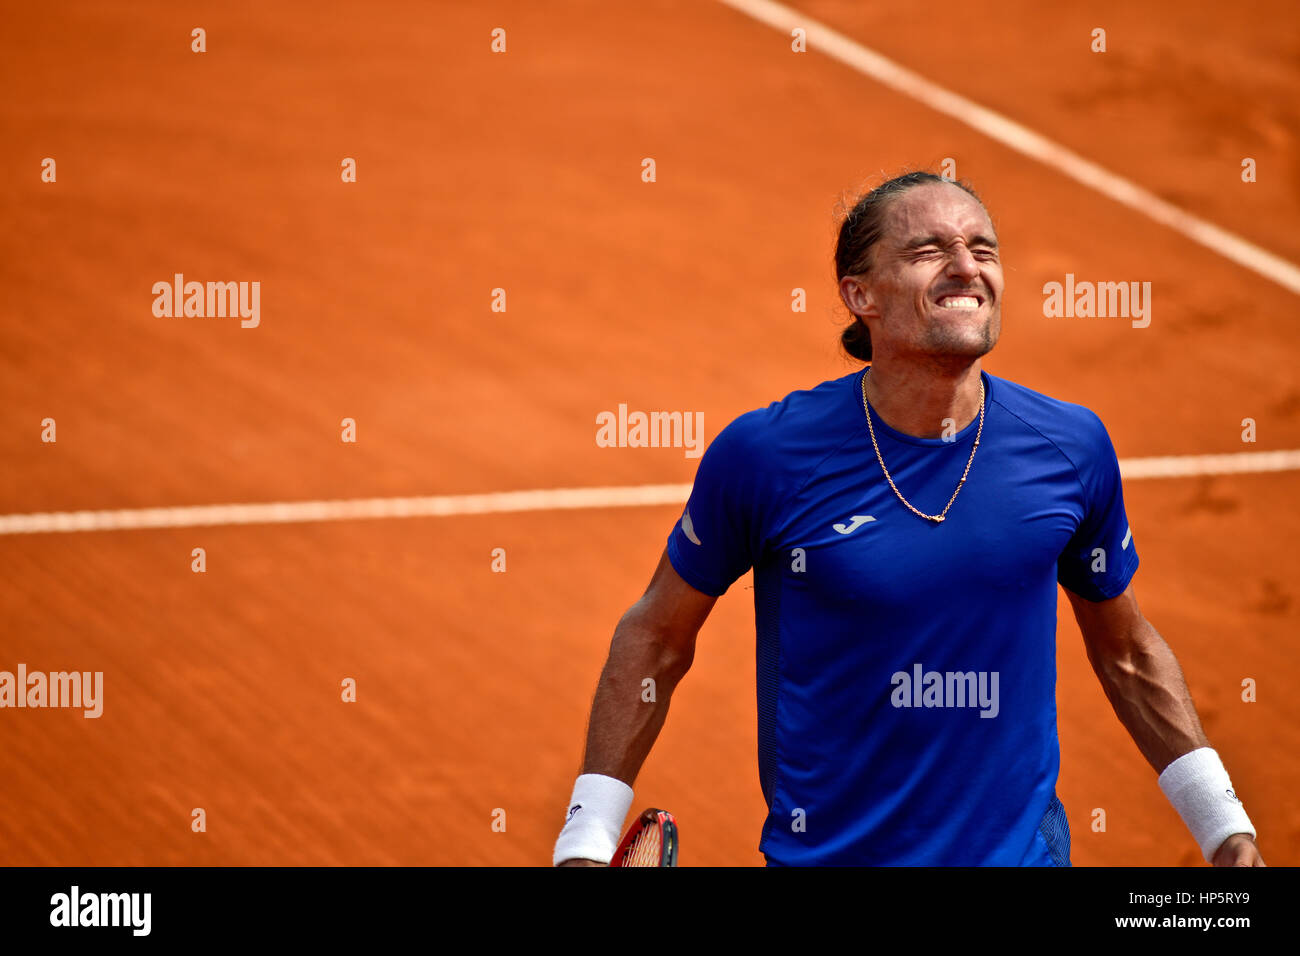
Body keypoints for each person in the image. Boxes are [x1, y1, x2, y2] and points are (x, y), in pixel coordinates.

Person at [553, 171, 1263, 867]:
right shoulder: (768, 456)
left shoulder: (1071, 448)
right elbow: (656, 636)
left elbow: (1128, 651)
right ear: (858, 294)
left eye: (983, 249)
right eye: (929, 251)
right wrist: (585, 840)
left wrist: (1222, 824)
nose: (965, 268)